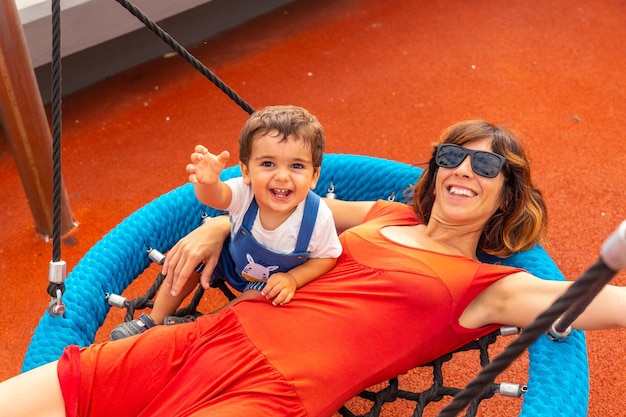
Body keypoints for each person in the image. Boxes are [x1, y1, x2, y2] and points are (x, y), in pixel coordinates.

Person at [2, 120, 625, 417]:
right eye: (453, 156)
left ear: (506, 197)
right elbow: (284, 204)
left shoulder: (493, 288)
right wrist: (221, 221)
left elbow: (599, 303)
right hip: (201, 339)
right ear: (435, 170)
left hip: (275, 393)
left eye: (487, 168)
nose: (465, 170)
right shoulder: (384, 215)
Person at [109, 105, 342, 340]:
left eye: (296, 166)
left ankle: (201, 327)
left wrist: (293, 278)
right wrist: (208, 182)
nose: (282, 176)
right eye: (268, 164)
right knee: (192, 257)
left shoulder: (317, 217)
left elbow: (327, 257)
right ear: (246, 171)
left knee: (256, 299)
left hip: (270, 286)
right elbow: (217, 197)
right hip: (231, 262)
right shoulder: (246, 192)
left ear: (314, 176)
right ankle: (152, 320)